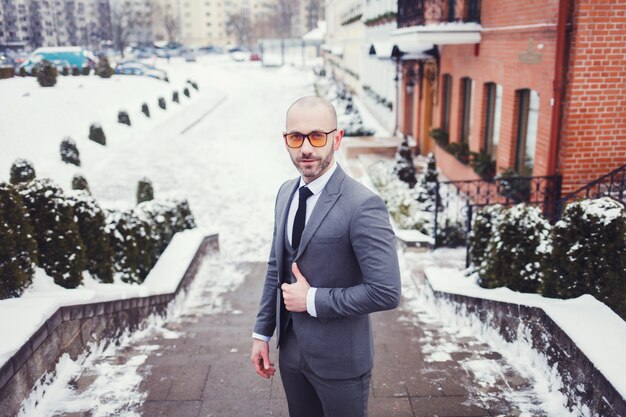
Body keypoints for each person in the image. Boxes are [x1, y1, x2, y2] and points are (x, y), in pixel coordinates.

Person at [250, 96, 401, 417]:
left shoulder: (363, 205)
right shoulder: (285, 192)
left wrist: (313, 300)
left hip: (341, 362)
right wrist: (262, 333)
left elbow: (386, 292)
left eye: (317, 136)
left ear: (337, 138)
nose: (306, 148)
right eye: (296, 137)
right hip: (291, 354)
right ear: (286, 141)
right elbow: (276, 267)